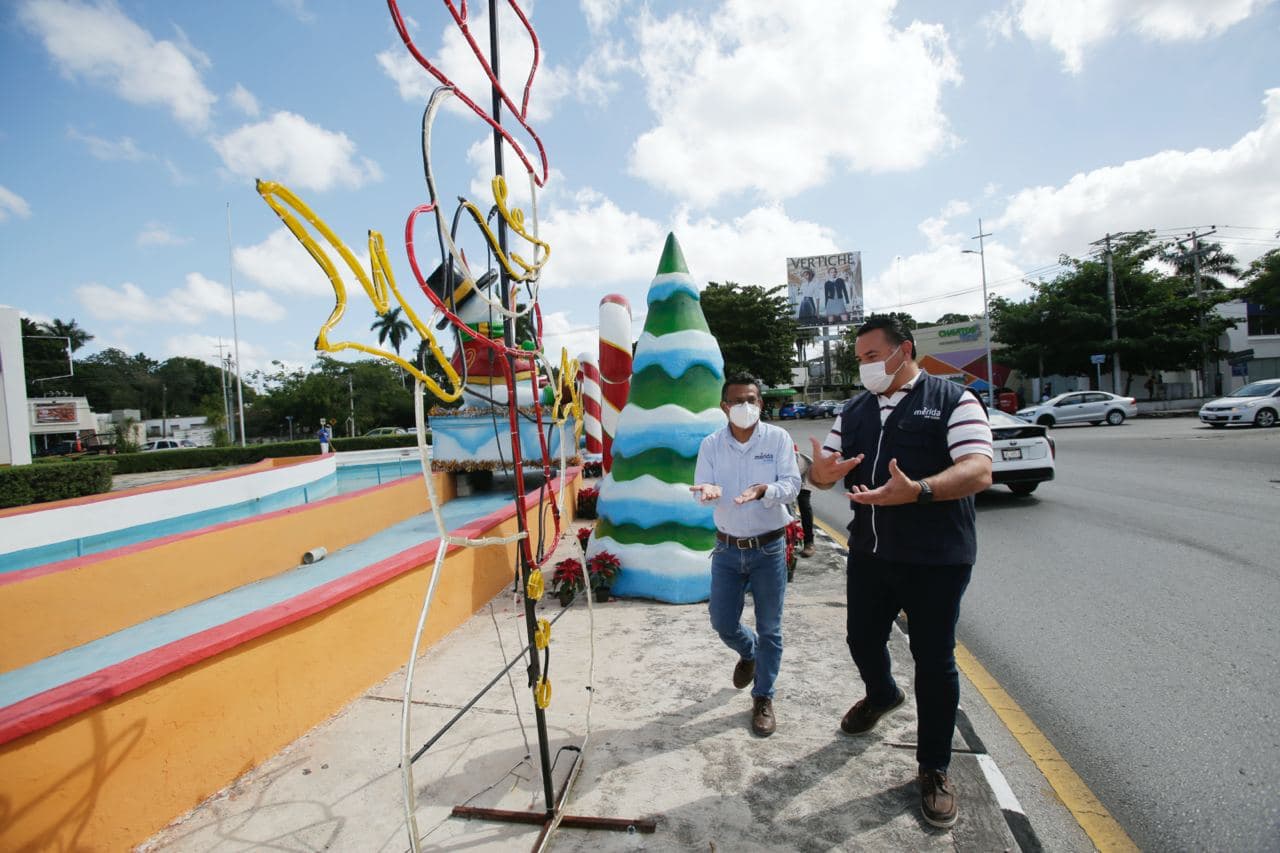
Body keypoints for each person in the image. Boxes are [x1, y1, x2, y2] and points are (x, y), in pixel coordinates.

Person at [807, 315, 992, 829]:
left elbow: (979, 469)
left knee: (933, 660)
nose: (865, 367)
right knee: (861, 639)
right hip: (870, 551)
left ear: (902, 351)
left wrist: (920, 490)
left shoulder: (953, 400)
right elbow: (821, 474)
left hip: (937, 558)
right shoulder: (855, 409)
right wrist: (821, 472)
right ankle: (883, 693)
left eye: (872, 357)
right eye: (860, 359)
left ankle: (933, 768)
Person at [691, 373, 801, 737]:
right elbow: (701, 487)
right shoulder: (711, 444)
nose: (745, 407)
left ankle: (763, 697)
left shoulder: (778, 438)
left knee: (771, 628)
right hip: (726, 548)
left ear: (761, 403)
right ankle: (748, 651)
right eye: (737, 401)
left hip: (768, 547)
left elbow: (792, 486)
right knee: (722, 621)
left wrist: (764, 490)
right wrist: (706, 491)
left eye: (751, 400)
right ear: (724, 406)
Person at [793, 443, 815, 559]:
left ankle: (809, 542)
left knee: (803, 503)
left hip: (803, 473)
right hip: (787, 475)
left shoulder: (800, 462)